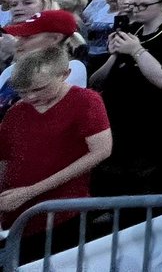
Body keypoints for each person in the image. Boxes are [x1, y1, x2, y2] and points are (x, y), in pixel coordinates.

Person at [0, 46, 112, 263]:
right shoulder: (16, 112)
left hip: (63, 215)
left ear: (64, 75)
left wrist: (30, 192)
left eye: (39, 89)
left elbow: (101, 151)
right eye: (22, 91)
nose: (30, 97)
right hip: (18, 219)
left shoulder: (86, 101)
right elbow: (4, 159)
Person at [90, 0, 162, 195]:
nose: (135, 9)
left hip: (156, 131)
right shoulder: (132, 31)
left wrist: (136, 51)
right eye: (133, 4)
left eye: (143, 5)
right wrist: (115, 54)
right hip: (120, 125)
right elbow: (97, 81)